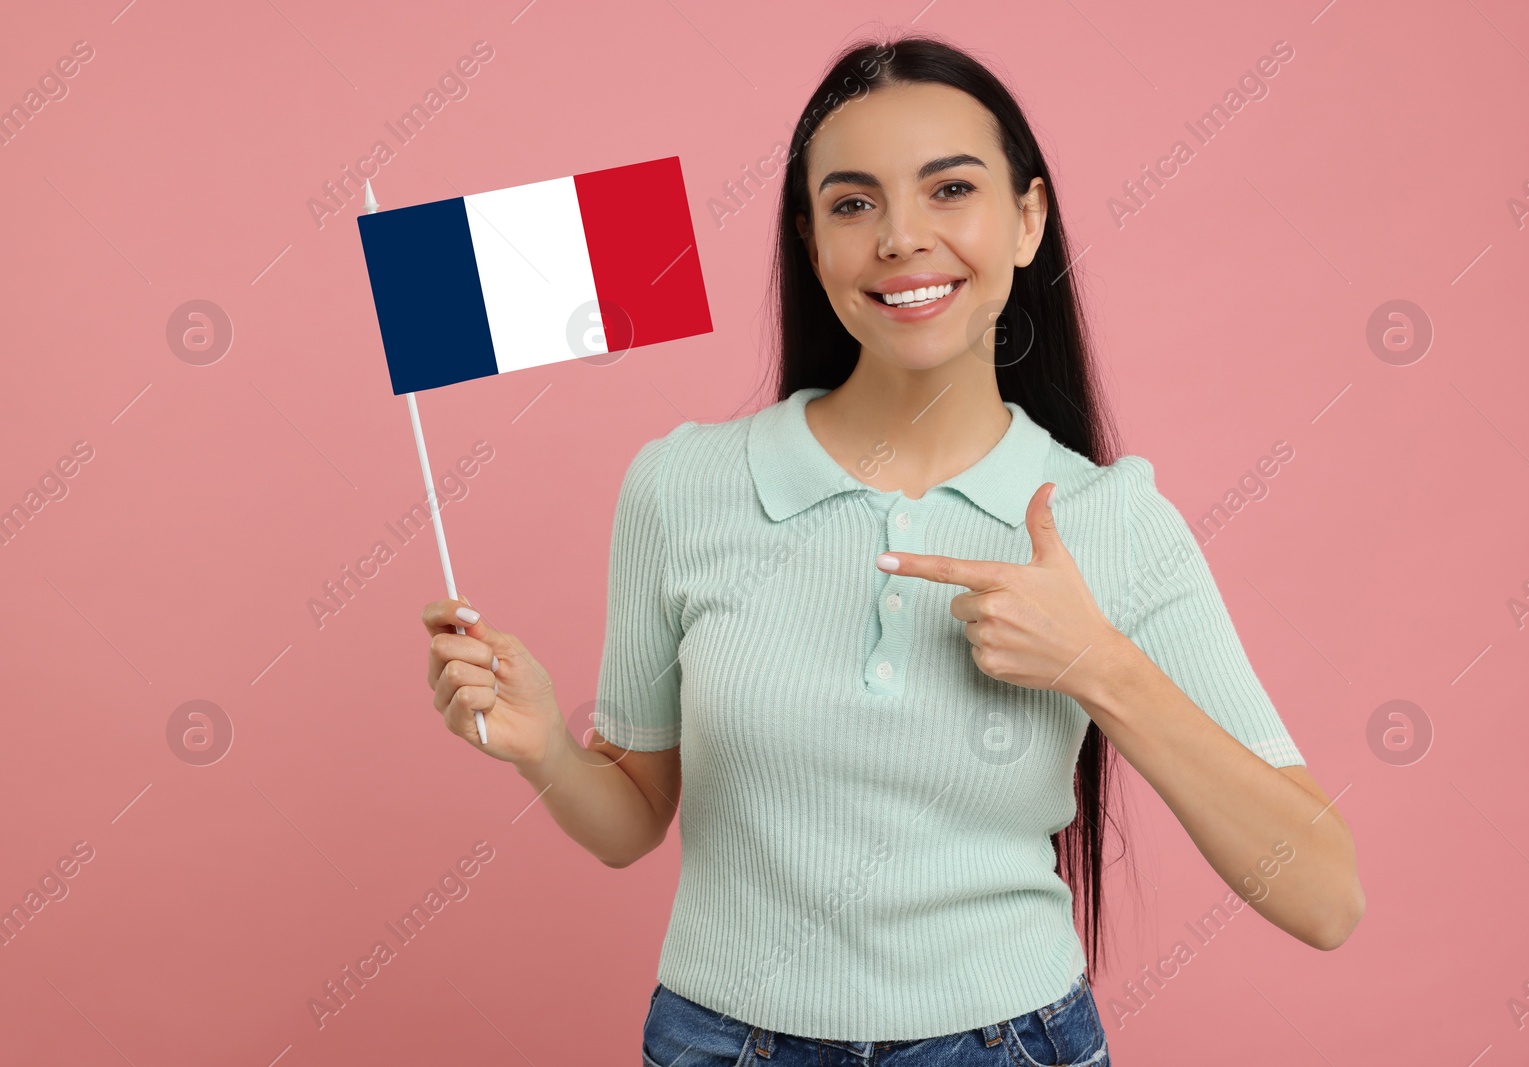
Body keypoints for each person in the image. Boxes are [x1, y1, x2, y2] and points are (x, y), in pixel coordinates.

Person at [422, 33, 1363, 1066]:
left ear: (1027, 218)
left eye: (949, 188)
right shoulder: (680, 485)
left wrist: (1096, 663)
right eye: (853, 202)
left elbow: (1323, 896)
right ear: (811, 239)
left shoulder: (1111, 519)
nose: (901, 237)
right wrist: (543, 750)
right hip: (718, 1040)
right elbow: (630, 819)